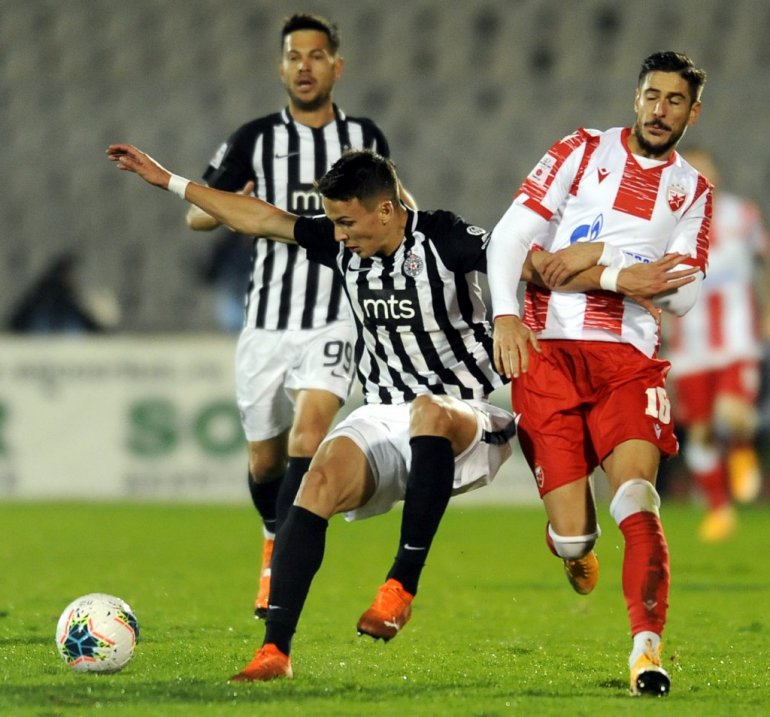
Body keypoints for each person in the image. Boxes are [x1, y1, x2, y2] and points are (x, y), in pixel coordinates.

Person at [107, 144, 524, 681]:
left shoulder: (443, 237)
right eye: (333, 223)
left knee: (428, 410)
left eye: (347, 222)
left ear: (386, 209)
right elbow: (261, 219)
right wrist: (169, 180)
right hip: (384, 412)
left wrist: (591, 284)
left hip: (466, 413)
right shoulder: (341, 243)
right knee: (316, 481)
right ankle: (274, 652)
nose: (339, 235)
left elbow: (525, 262)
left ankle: (400, 585)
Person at [487, 51, 710, 697]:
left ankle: (647, 651)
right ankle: (571, 544)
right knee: (573, 537)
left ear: (692, 112)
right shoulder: (581, 150)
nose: (660, 110)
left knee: (637, 497)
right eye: (652, 96)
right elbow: (512, 242)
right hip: (547, 355)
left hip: (628, 362)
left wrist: (592, 253)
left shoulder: (692, 190)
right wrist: (510, 312)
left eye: (674, 100)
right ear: (636, 97)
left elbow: (684, 294)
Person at [185, 14, 414, 618]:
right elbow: (197, 215)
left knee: (309, 437)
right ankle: (272, 534)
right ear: (281, 67)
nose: (304, 66)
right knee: (264, 460)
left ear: (337, 66)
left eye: (316, 56)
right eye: (294, 56)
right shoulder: (255, 138)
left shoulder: (364, 135)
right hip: (267, 320)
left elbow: (394, 204)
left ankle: (279, 569)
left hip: (337, 315)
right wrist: (240, 202)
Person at [663, 147, 769, 541]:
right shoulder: (665, 226)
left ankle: (741, 447)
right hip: (689, 347)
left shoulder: (742, 215)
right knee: (701, 431)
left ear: (716, 176)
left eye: (703, 170)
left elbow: (765, 260)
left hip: (737, 340)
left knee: (732, 413)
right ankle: (719, 509)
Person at [7, 251, 120, 334]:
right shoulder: (38, 304)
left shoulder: (79, 307)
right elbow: (15, 327)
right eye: (66, 275)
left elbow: (103, 329)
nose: (71, 279)